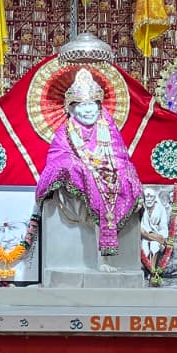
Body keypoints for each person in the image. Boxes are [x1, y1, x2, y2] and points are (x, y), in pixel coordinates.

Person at [34, 68, 142, 259]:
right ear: (71, 109)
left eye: (91, 105)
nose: (87, 110)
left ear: (99, 106)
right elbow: (58, 157)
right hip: (82, 176)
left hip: (108, 172)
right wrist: (81, 165)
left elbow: (120, 154)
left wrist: (113, 166)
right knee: (77, 169)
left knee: (126, 174)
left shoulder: (106, 126)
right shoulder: (66, 130)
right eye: (82, 106)